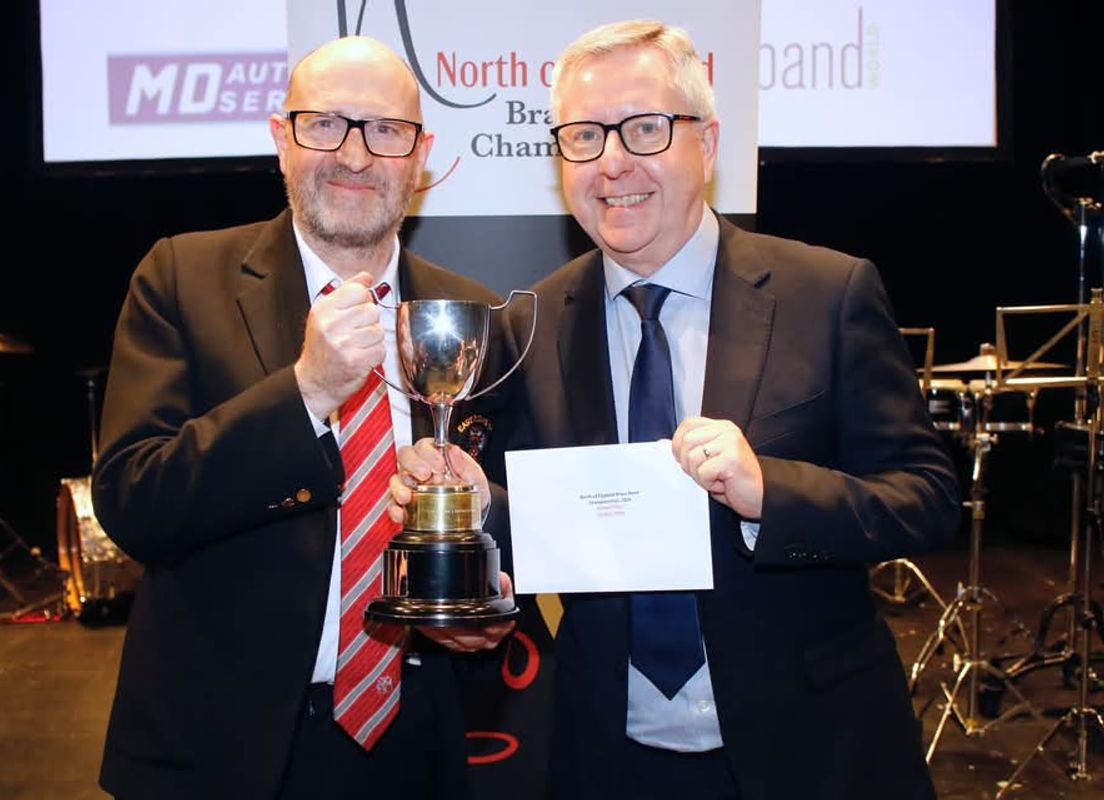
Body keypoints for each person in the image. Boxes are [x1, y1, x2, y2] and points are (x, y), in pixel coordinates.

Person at [392, 19, 961, 800]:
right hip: (605, 755)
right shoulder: (531, 321)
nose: (613, 161)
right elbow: (529, 521)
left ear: (709, 142)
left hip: (813, 750)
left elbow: (926, 499)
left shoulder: (825, 294)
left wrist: (771, 494)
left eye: (645, 128)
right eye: (583, 135)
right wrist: (466, 502)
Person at [91, 35, 512, 800]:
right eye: (325, 123)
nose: (355, 154)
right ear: (280, 138)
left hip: (417, 743)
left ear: (420, 157)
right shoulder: (182, 279)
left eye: (385, 130)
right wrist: (306, 393)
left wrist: (483, 553)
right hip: (222, 750)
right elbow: (134, 503)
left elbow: (516, 515)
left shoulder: (470, 314)